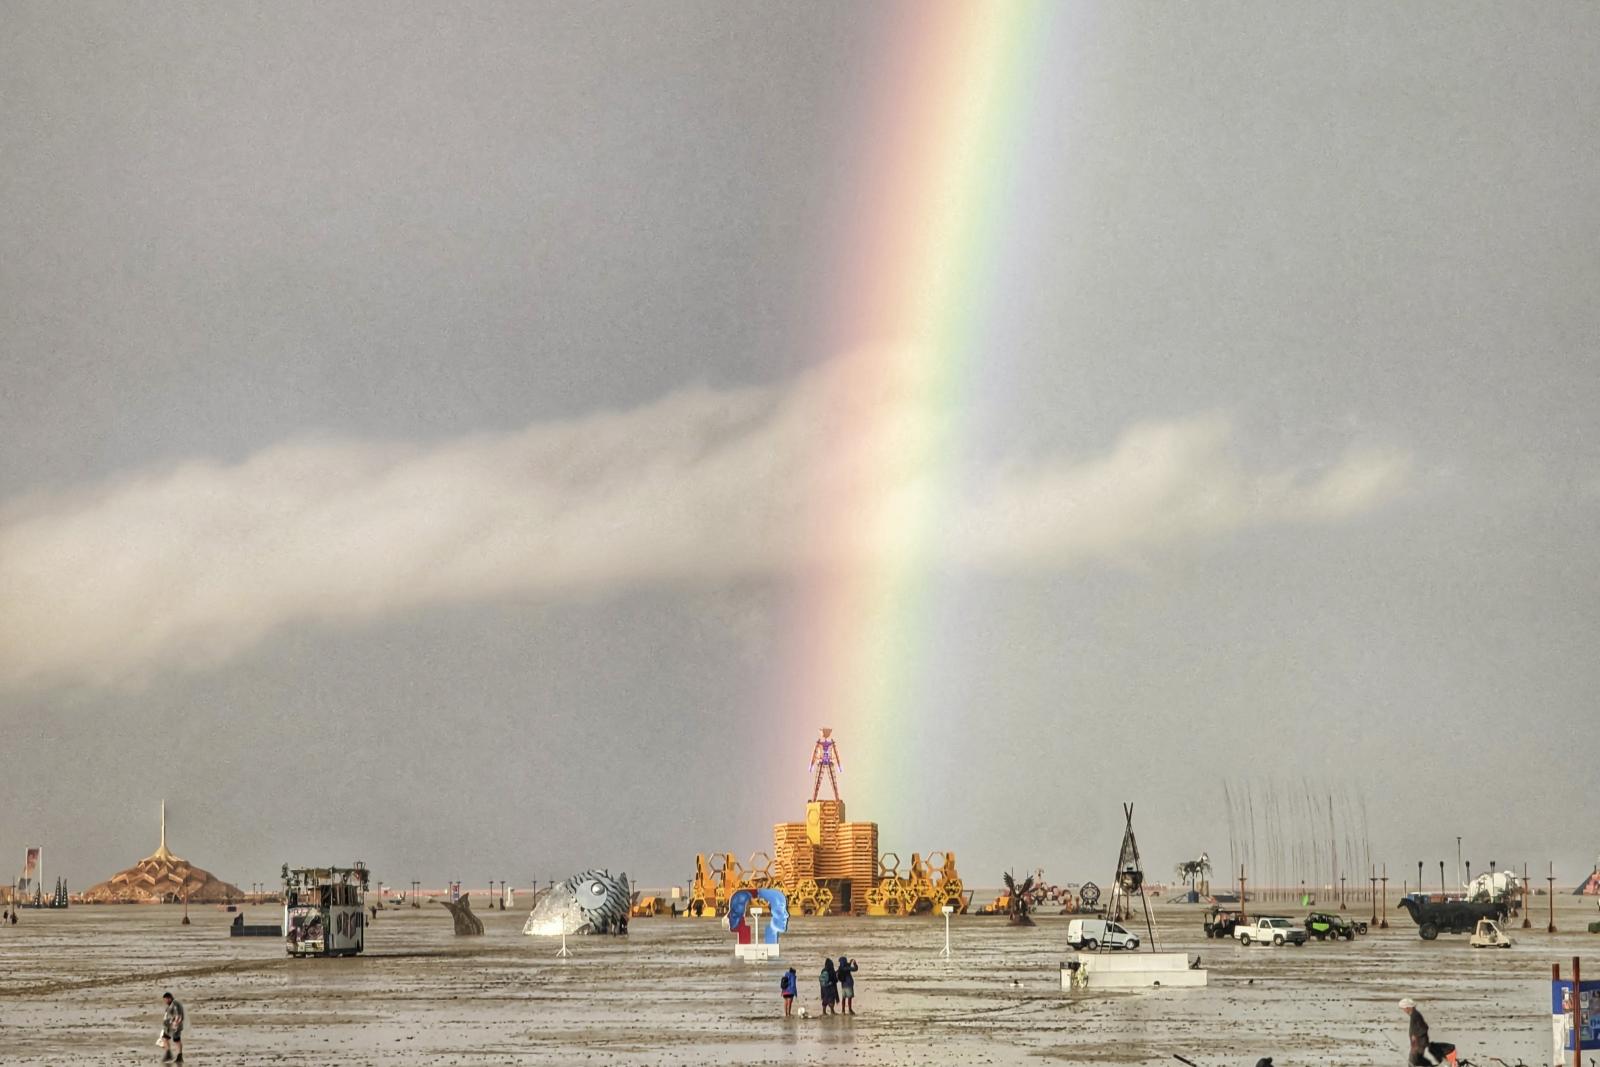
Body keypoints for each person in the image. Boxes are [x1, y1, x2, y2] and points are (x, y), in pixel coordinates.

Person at [1400, 998, 1457, 1066]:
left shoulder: (1415, 1016)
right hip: (1418, 1045)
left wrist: (1415, 1037)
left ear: (1407, 1008)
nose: (1403, 1010)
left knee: (1413, 1062)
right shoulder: (1414, 1015)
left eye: (1403, 1008)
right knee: (1416, 1062)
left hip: (1419, 1045)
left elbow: (1424, 1028)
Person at [160, 991, 185, 1063]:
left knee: (176, 1040)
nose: (165, 1001)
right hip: (169, 1026)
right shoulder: (171, 1005)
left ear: (169, 998)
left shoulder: (175, 1004)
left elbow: (178, 1015)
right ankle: (168, 1054)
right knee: (165, 1038)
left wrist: (175, 1024)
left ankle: (179, 1056)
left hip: (175, 1026)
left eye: (165, 999)